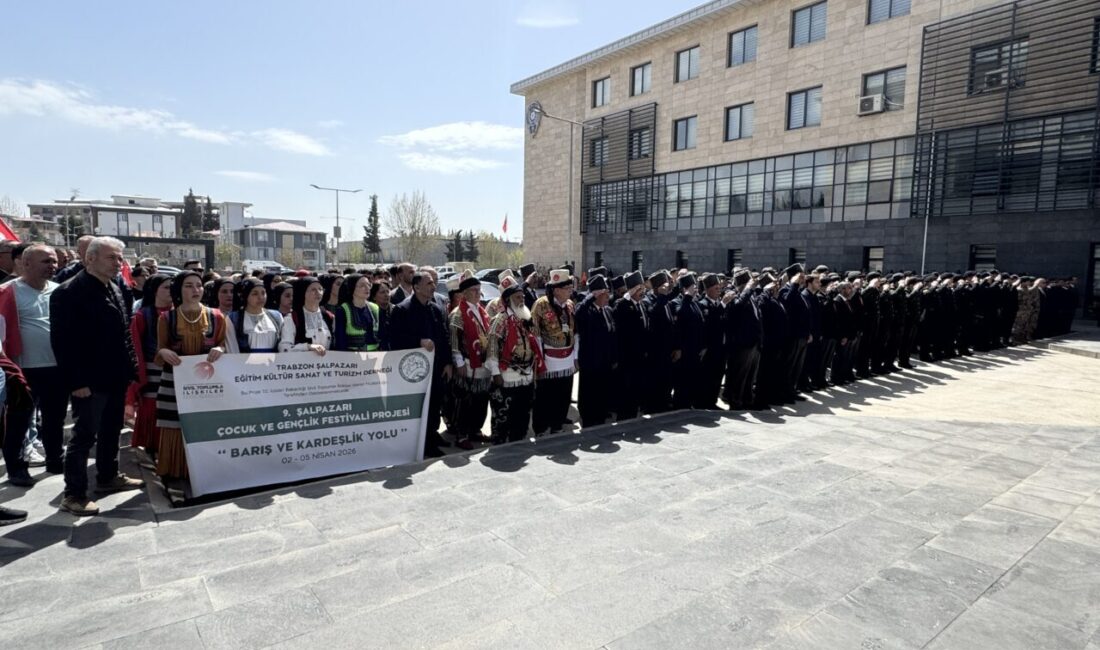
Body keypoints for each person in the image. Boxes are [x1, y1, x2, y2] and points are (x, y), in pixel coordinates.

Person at [50, 236, 144, 516]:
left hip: (115, 376)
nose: (119, 263)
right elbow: (63, 343)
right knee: (83, 436)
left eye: (120, 258)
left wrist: (131, 370)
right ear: (90, 258)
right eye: (112, 258)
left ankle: (108, 476)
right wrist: (76, 382)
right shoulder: (69, 292)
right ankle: (74, 494)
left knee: (111, 430)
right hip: (88, 381)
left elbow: (123, 332)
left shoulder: (114, 287)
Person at [154, 271, 228, 480]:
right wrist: (164, 352)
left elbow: (223, 345)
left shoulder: (217, 316)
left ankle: (207, 469)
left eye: (199, 285)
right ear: (179, 289)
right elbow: (159, 351)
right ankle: (177, 471)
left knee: (206, 424)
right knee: (176, 424)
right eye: (188, 285)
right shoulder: (166, 318)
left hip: (207, 382)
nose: (196, 290)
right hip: (175, 381)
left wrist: (221, 350)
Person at [389, 271, 454, 457]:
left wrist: (448, 362)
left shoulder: (436, 309)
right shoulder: (402, 310)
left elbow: (444, 337)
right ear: (416, 287)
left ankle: (432, 435)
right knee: (420, 407)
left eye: (434, 283)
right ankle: (424, 444)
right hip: (414, 371)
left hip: (437, 367)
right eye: (428, 283)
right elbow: (397, 340)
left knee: (435, 404)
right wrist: (419, 341)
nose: (433, 287)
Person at [486, 284, 542, 443]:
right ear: (508, 300)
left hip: (526, 375)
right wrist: (496, 373)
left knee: (523, 414)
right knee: (503, 416)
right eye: (517, 297)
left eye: (523, 297)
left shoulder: (526, 318)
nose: (521, 300)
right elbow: (492, 348)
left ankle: (518, 444)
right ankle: (501, 447)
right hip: (507, 374)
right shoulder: (500, 320)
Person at [129, 274, 173, 459]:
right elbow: (135, 350)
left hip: (176, 371)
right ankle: (153, 452)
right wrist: (138, 379)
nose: (171, 291)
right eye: (166, 287)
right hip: (151, 373)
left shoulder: (181, 313)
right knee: (153, 412)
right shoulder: (142, 316)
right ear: (154, 290)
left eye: (173, 287)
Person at [530, 269, 577, 435]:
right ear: (557, 289)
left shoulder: (570, 305)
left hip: (567, 357)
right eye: (567, 289)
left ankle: (557, 424)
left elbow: (574, 332)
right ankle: (541, 428)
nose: (570, 291)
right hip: (548, 358)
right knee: (545, 396)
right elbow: (534, 334)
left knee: (563, 394)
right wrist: (539, 359)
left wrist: (575, 357)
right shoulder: (541, 305)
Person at [448, 272, 492, 448]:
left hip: (483, 363)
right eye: (473, 290)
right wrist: (458, 362)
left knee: (481, 400)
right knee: (465, 401)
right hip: (467, 364)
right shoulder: (458, 314)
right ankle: (462, 434)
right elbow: (454, 340)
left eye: (479, 290)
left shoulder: (482, 311)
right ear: (464, 293)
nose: (477, 294)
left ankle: (475, 430)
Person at [575, 274, 617, 427]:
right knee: (589, 393)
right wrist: (590, 297)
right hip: (590, 360)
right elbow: (578, 314)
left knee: (602, 392)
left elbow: (612, 335)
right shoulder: (587, 311)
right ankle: (588, 419)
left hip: (605, 361)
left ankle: (600, 416)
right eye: (604, 293)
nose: (608, 296)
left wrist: (613, 357)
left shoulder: (607, 310)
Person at [613, 271, 650, 420]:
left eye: (643, 289)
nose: (642, 292)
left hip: (640, 355)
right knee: (626, 390)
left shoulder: (642, 305)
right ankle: (624, 417)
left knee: (636, 388)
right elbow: (619, 330)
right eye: (639, 289)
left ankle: (633, 414)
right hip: (627, 356)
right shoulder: (622, 305)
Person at [723, 269, 761, 410]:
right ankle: (736, 401)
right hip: (741, 344)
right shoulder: (735, 297)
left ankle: (747, 399)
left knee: (750, 375)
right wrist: (748, 289)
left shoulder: (751, 297)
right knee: (739, 375)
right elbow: (737, 307)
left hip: (753, 342)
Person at [671, 273, 704, 410]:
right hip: (684, 349)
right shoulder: (677, 302)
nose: (695, 289)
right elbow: (681, 317)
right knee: (682, 380)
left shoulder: (694, 302)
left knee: (693, 379)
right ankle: (679, 406)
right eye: (692, 287)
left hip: (695, 348)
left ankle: (689, 403)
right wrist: (687, 296)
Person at [225, 278, 283, 353]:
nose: (261, 297)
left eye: (263, 293)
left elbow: (282, 345)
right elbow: (232, 349)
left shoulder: (276, 316)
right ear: (246, 296)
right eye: (255, 294)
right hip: (243, 363)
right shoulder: (234, 318)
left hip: (272, 363)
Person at [280, 277, 333, 354]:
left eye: (320, 289)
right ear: (303, 292)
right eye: (313, 290)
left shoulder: (329, 317)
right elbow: (284, 348)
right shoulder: (292, 318)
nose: (318, 292)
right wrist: (308, 347)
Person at [333, 274, 382, 352]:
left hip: (374, 356)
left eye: (369, 285)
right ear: (352, 288)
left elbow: (382, 335)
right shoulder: (343, 309)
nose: (367, 288)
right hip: (352, 358)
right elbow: (340, 340)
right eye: (362, 285)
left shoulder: (375, 308)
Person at [369, 281, 393, 349]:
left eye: (387, 292)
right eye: (382, 292)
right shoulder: (370, 312)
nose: (386, 295)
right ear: (374, 297)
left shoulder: (396, 310)